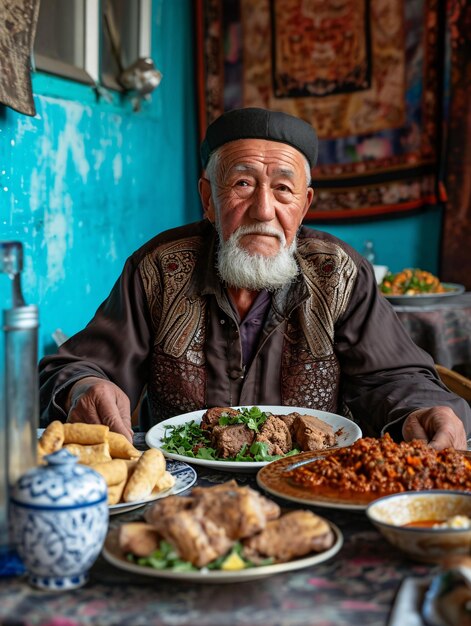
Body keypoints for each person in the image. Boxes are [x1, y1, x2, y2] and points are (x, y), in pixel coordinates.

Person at [39, 107, 471, 449]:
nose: (264, 210)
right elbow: (81, 366)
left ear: (304, 205)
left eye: (283, 189)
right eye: (243, 184)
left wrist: (425, 409)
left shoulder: (338, 273)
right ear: (208, 198)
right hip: (180, 489)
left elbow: (393, 377)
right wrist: (85, 386)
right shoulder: (158, 268)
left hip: (313, 485)